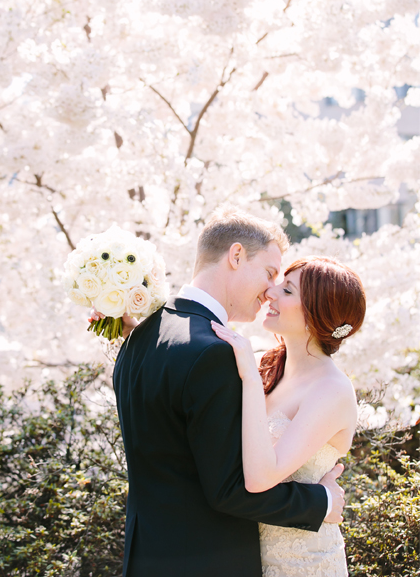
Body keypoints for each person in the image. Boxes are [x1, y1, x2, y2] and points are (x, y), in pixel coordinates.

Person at [111, 206, 345, 577]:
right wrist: (323, 501)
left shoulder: (140, 335)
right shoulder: (214, 353)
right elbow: (229, 491)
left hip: (145, 557)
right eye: (269, 273)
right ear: (236, 256)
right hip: (206, 562)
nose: (271, 290)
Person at [211, 256, 363, 576]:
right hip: (242, 554)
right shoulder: (266, 362)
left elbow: (261, 478)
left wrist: (251, 379)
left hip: (303, 563)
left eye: (288, 291)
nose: (270, 293)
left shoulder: (332, 390)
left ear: (316, 315)